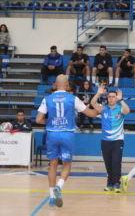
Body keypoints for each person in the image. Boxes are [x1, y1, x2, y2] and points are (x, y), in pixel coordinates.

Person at [36, 75, 99, 207]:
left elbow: (38, 120)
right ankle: (59, 186)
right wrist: (99, 110)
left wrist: (50, 122)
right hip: (67, 134)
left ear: (56, 84)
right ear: (66, 85)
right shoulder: (73, 99)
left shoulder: (47, 99)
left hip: (52, 134)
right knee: (66, 165)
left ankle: (52, 197)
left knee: (52, 165)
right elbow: (91, 114)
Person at [91, 85, 130, 193]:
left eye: (113, 96)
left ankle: (117, 183)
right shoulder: (103, 108)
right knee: (108, 162)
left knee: (116, 161)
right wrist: (98, 93)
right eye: (109, 96)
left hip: (118, 139)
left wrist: (121, 99)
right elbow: (93, 103)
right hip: (105, 140)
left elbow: (127, 111)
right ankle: (110, 183)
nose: (111, 98)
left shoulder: (120, 108)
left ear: (116, 98)